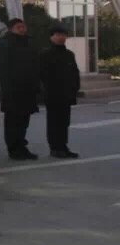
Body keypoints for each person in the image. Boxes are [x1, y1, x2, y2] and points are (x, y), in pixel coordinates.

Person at [0, 18, 40, 160]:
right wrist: (7, 88)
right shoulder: (5, 44)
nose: (22, 29)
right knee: (12, 121)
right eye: (18, 27)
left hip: (27, 90)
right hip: (12, 91)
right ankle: (13, 149)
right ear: (11, 29)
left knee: (24, 121)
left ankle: (22, 146)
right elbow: (2, 68)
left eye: (23, 26)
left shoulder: (28, 43)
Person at [39, 26, 80, 159]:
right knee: (54, 122)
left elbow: (75, 74)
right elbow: (41, 75)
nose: (61, 37)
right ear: (51, 37)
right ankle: (55, 148)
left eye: (63, 34)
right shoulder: (45, 54)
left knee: (64, 122)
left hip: (67, 94)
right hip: (53, 94)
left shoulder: (69, 55)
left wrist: (75, 89)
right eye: (57, 34)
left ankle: (63, 146)